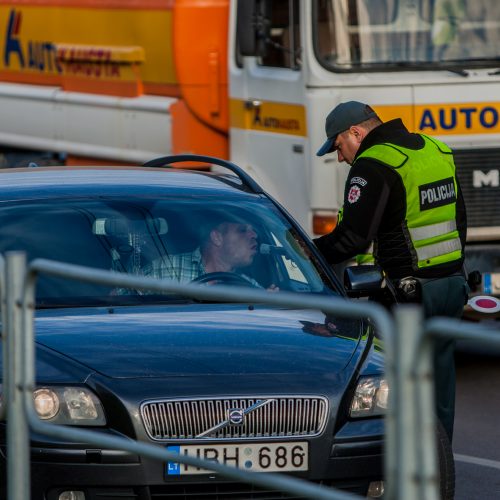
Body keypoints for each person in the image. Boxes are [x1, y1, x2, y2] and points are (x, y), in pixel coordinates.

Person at [314, 100, 468, 443]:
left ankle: (407, 472)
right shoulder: (435, 149)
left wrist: (305, 252)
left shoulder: (373, 163)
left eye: (339, 147)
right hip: (451, 287)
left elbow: (352, 238)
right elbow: (459, 221)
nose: (341, 158)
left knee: (396, 385)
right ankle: (439, 465)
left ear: (356, 132)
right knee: (440, 384)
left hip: (408, 296)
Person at [143, 216, 279, 290]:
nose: (254, 235)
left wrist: (268, 305)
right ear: (217, 237)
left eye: (253, 230)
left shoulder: (249, 286)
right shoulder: (165, 269)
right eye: (242, 230)